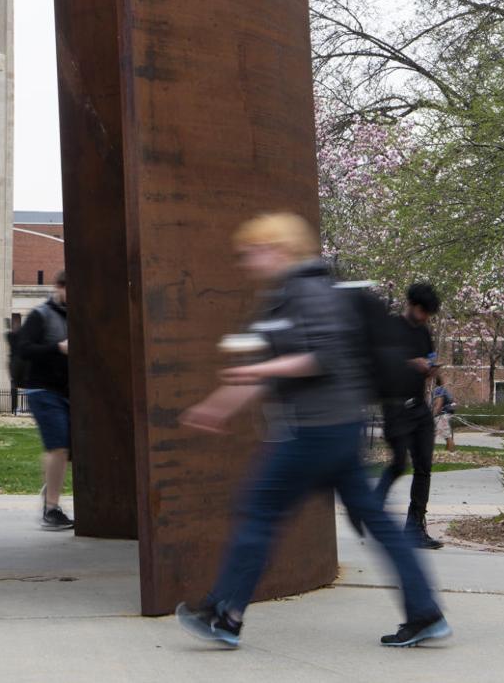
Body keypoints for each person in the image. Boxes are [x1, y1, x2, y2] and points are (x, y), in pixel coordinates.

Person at [175, 213, 451, 650]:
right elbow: (259, 373)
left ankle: (223, 612)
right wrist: (215, 407)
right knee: (377, 522)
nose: (246, 261)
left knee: (258, 509)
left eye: (252, 252)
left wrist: (257, 372)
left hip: (318, 430)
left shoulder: (311, 292)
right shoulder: (279, 299)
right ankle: (425, 612)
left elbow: (319, 357)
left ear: (278, 249)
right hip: (332, 432)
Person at [373, 283, 445, 549]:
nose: (425, 317)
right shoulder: (390, 328)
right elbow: (379, 365)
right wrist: (408, 364)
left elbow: (428, 358)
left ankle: (414, 528)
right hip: (395, 406)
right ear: (412, 305)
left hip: (419, 408)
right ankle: (372, 510)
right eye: (423, 311)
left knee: (424, 467)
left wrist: (431, 370)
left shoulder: (424, 332)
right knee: (399, 463)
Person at [16, 269, 73, 531]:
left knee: (65, 450)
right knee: (58, 446)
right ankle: (51, 509)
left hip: (68, 392)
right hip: (43, 391)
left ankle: (50, 488)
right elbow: (23, 349)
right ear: (59, 286)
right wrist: (57, 348)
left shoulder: (75, 316)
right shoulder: (41, 315)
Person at [432, 379, 456, 451]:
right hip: (446, 414)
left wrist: (434, 414)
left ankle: (451, 453)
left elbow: (439, 403)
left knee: (447, 436)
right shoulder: (444, 390)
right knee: (433, 435)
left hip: (442, 415)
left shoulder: (438, 389)